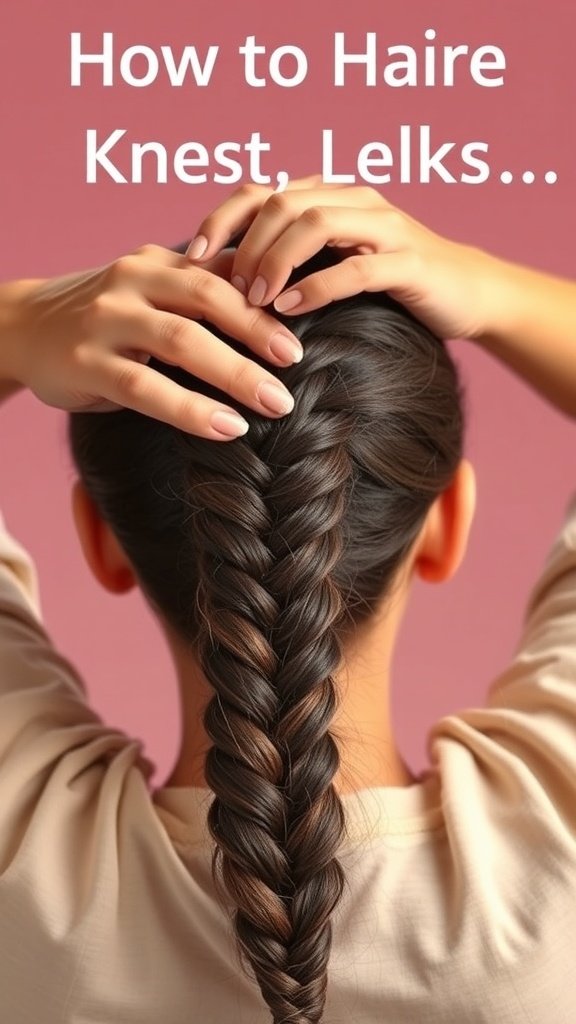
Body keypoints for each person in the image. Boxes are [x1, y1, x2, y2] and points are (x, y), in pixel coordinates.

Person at [1, 179, 576, 1024]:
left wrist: (18, 325)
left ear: (100, 540)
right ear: (448, 522)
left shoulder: (27, 870)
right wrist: (484, 285)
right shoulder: (550, 863)